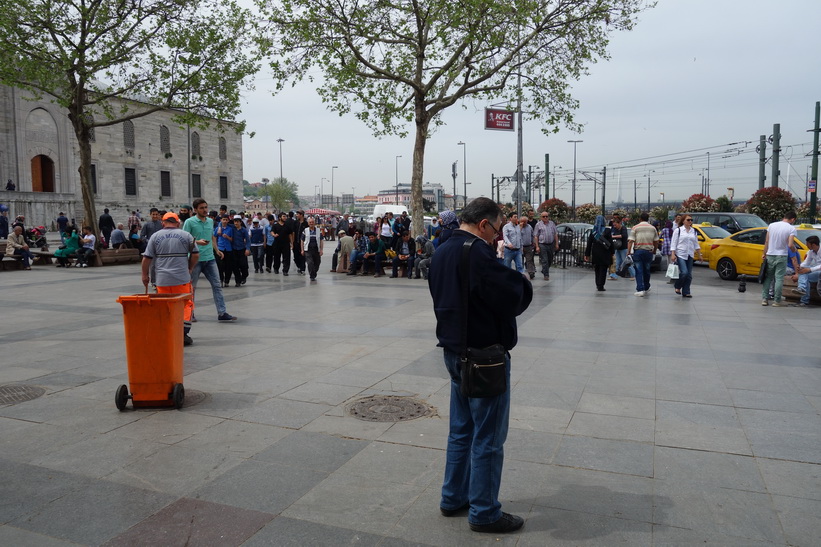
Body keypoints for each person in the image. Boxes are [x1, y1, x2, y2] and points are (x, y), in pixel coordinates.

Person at [428, 197, 532, 534]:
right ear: (484, 224)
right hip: (484, 356)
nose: (499, 234)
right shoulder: (477, 252)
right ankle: (485, 511)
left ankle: (453, 496)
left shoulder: (442, 249)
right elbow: (513, 295)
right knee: (488, 437)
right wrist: (518, 278)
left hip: (454, 350)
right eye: (498, 227)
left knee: (461, 430)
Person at [142, 212, 198, 346]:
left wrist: (145, 275)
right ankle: (183, 332)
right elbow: (195, 255)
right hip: (181, 278)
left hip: (162, 280)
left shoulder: (155, 236)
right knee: (186, 304)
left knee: (165, 305)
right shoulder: (186, 235)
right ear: (178, 223)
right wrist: (189, 268)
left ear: (163, 223)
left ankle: (167, 331)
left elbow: (146, 259)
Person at [183, 199, 237, 322]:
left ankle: (222, 312)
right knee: (192, 288)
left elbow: (212, 236)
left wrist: (217, 250)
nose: (205, 210)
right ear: (195, 210)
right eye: (202, 208)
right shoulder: (189, 222)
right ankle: (190, 313)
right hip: (195, 259)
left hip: (210, 259)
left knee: (217, 285)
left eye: (206, 207)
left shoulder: (210, 221)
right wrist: (197, 242)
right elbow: (184, 239)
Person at [760, 211, 797, 307]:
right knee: (779, 278)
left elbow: (767, 241)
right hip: (782, 255)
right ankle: (777, 300)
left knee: (768, 277)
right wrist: (794, 250)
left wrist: (764, 253)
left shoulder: (771, 225)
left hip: (770, 254)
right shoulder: (791, 228)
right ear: (792, 219)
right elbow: (790, 245)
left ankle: (764, 299)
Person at [669, 214, 702, 298]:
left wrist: (699, 254)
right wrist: (673, 254)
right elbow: (674, 243)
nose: (690, 221)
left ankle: (686, 291)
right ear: (683, 221)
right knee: (684, 272)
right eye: (688, 220)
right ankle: (677, 286)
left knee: (689, 275)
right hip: (680, 254)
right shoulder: (678, 230)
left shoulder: (693, 231)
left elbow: (696, 243)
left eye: (691, 220)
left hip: (690, 254)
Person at [627, 212, 659, 297]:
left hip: (638, 251)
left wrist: (628, 251)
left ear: (640, 219)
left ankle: (640, 289)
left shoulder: (635, 227)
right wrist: (655, 250)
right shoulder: (653, 228)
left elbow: (631, 241)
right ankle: (647, 286)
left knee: (639, 270)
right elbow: (656, 241)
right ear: (648, 219)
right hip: (649, 251)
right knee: (647, 270)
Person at [584, 215, 614, 291]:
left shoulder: (593, 231)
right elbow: (610, 243)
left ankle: (597, 284)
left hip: (596, 253)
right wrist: (612, 252)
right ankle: (601, 285)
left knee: (597, 269)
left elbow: (589, 244)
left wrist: (587, 254)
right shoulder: (607, 231)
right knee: (603, 269)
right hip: (605, 253)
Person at [792, 235, 820, 306]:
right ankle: (802, 292)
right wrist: (800, 267)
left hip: (819, 271)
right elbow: (806, 262)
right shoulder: (811, 252)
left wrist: (809, 269)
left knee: (805, 273)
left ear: (813, 245)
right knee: (804, 274)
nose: (806, 246)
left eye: (807, 244)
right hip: (816, 271)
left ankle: (802, 291)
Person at [533, 211, 558, 280]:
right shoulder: (538, 225)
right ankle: (546, 275)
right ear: (541, 217)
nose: (545, 218)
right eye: (544, 216)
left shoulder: (552, 224)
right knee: (545, 260)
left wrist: (556, 244)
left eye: (546, 216)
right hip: (542, 244)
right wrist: (537, 246)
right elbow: (536, 236)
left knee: (550, 259)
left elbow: (555, 234)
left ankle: (544, 269)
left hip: (550, 244)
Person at [610, 214, 634, 280]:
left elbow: (624, 236)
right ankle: (614, 275)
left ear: (619, 223)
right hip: (617, 247)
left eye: (615, 225)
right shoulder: (614, 229)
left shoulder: (623, 228)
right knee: (617, 262)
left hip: (623, 247)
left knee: (626, 262)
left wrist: (614, 236)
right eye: (614, 225)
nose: (614, 226)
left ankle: (633, 275)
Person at [214, 215, 235, 286]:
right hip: (220, 249)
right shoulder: (217, 229)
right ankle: (221, 279)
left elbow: (232, 239)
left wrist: (227, 237)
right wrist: (216, 247)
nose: (225, 221)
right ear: (221, 220)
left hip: (228, 249)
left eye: (226, 220)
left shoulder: (230, 229)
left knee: (228, 266)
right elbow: (214, 238)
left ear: (228, 221)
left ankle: (227, 281)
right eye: (223, 219)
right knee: (220, 265)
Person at [302, 216, 324, 281]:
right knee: (310, 263)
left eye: (312, 222)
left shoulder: (318, 230)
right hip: (308, 249)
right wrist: (302, 250)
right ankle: (312, 276)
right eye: (310, 222)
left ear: (314, 223)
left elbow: (321, 240)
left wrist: (321, 249)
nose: (311, 223)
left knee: (317, 262)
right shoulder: (305, 231)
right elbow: (302, 240)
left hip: (316, 249)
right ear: (308, 223)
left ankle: (314, 272)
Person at [231, 215, 250, 286]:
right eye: (235, 222)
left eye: (237, 222)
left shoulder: (244, 230)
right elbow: (222, 223)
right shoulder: (232, 228)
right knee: (235, 266)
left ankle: (244, 276)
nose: (236, 223)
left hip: (242, 249)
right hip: (234, 250)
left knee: (243, 265)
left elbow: (248, 240)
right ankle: (238, 281)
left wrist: (247, 249)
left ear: (240, 222)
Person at [292, 210, 308, 275]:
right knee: (296, 256)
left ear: (301, 215)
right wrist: (292, 242)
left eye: (298, 214)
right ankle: (298, 266)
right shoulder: (295, 223)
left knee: (302, 256)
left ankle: (302, 269)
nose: (296, 215)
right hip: (295, 242)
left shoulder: (306, 223)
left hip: (303, 243)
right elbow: (293, 232)